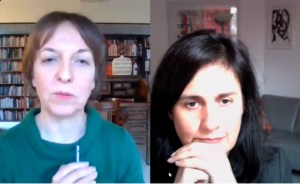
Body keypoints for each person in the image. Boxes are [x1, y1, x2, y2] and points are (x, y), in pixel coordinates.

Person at [0, 11, 144, 184]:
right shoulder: (4, 151)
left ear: (94, 79)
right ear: (32, 75)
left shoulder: (121, 146)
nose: (65, 75)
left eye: (81, 61)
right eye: (50, 59)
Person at [150, 30, 293, 184]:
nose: (210, 124)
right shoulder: (146, 165)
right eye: (192, 104)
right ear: (170, 111)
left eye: (225, 101)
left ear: (244, 104)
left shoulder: (273, 165)